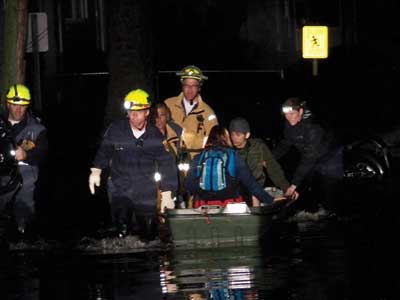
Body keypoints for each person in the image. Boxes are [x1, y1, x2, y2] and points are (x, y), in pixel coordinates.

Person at [88, 89, 178, 242]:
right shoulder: (116, 130)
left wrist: (168, 191)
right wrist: (96, 170)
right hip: (120, 188)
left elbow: (166, 162)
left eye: (138, 112)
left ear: (147, 112)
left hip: (145, 191)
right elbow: (104, 151)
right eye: (130, 112)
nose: (133, 116)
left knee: (149, 235)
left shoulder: (155, 135)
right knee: (122, 233)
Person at [184, 125, 286, 208]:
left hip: (203, 205)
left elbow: (189, 184)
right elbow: (250, 183)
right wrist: (270, 199)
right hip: (230, 205)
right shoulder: (233, 155)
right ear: (226, 138)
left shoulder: (199, 157)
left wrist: (205, 194)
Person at [272, 97, 343, 212]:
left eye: (292, 113)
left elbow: (309, 157)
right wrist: (270, 158)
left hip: (330, 154)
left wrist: (293, 185)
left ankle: (334, 214)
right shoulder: (290, 123)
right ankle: (313, 211)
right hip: (310, 152)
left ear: (300, 111)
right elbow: (285, 143)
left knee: (329, 184)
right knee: (308, 183)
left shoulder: (313, 127)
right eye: (286, 114)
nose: (288, 117)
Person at [0, 84, 48, 241]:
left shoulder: (37, 129)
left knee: (24, 207)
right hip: (2, 175)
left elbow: (41, 154)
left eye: (22, 106)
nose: (18, 110)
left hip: (24, 176)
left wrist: (26, 155)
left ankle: (24, 236)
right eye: (15, 105)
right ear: (8, 104)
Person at [229, 117, 297, 206]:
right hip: (235, 190)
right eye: (232, 134)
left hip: (256, 190)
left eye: (238, 135)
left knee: (255, 194)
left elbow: (273, 168)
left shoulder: (258, 147)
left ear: (247, 135)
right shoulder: (228, 150)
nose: (234, 138)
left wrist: (286, 188)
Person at [164, 65, 218, 160]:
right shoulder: (168, 105)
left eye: (194, 85)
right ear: (182, 85)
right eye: (186, 85)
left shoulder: (208, 113)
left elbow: (214, 142)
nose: (190, 89)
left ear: (199, 87)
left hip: (195, 162)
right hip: (168, 159)